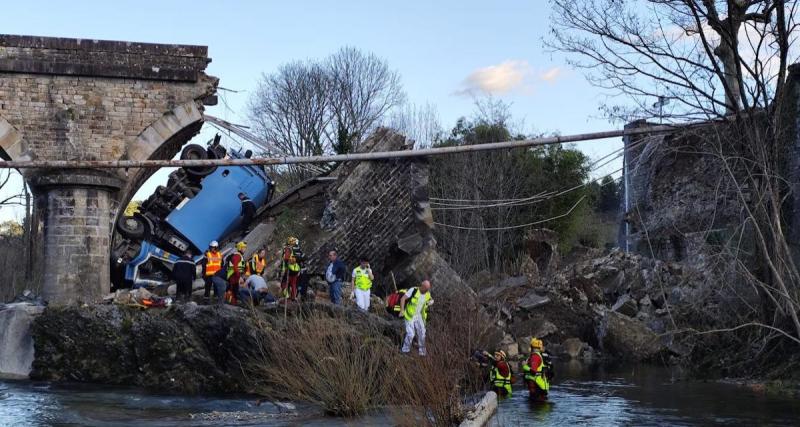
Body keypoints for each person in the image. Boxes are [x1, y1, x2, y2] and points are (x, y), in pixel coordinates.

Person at [399, 280, 433, 356]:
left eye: (428, 289)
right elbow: (403, 299)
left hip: (419, 316)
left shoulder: (427, 294)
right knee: (411, 334)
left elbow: (431, 299)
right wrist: (402, 310)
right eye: (426, 289)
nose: (427, 291)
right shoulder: (413, 290)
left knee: (422, 333)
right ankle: (405, 351)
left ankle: (422, 353)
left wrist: (431, 301)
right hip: (409, 315)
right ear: (422, 286)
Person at [522, 338, 552, 402]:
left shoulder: (535, 357)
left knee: (535, 406)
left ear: (532, 347)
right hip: (539, 387)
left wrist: (524, 366)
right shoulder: (539, 355)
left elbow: (533, 371)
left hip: (536, 386)